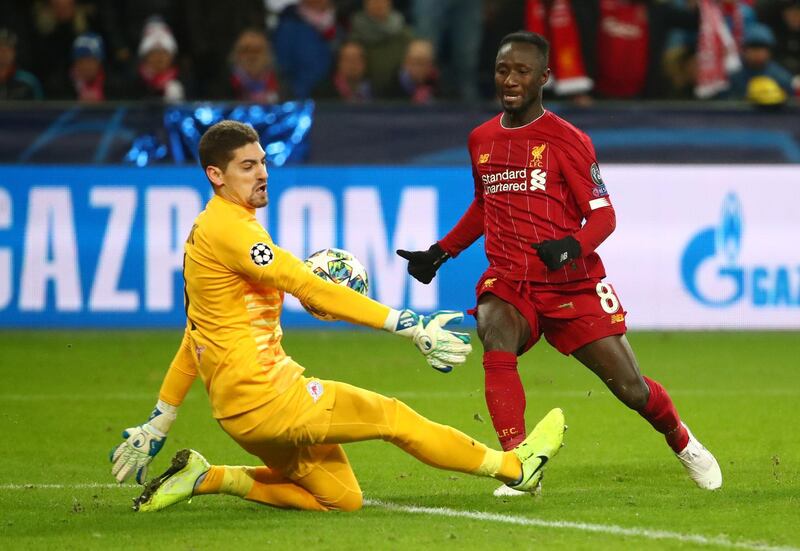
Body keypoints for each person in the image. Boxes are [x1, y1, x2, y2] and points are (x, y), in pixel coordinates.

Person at [109, 120, 567, 513]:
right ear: (216, 175)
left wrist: (161, 419)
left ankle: (208, 477)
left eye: (263, 162)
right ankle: (516, 468)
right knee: (392, 417)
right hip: (269, 398)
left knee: (341, 499)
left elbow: (196, 335)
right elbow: (308, 285)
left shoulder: (212, 229)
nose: (262, 174)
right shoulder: (230, 231)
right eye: (247, 167)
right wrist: (406, 324)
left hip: (237, 412)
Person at [396, 31, 722, 498]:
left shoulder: (567, 139)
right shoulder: (482, 139)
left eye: (521, 71)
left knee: (631, 390)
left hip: (571, 284)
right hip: (510, 280)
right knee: (494, 326)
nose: (509, 79)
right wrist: (441, 252)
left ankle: (682, 440)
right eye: (502, 69)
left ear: (544, 77)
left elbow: (604, 214)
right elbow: (485, 205)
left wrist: (571, 246)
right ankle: (519, 465)